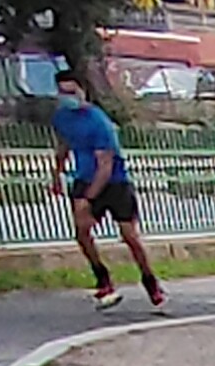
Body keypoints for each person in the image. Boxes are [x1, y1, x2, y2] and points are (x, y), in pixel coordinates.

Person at [52, 85, 166, 308]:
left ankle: (150, 280)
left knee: (129, 235)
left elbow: (105, 165)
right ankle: (102, 277)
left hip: (114, 182)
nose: (67, 98)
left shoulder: (99, 122)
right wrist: (57, 174)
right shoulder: (62, 118)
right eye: (62, 92)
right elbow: (63, 145)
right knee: (81, 229)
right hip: (84, 176)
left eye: (71, 92)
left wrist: (89, 198)